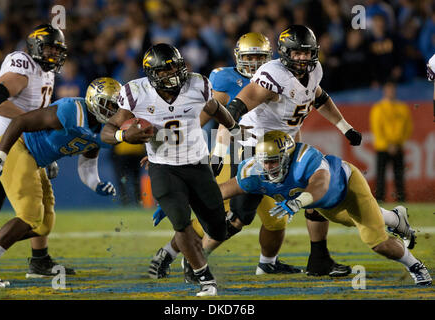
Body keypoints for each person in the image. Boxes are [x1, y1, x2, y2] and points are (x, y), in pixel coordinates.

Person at [149, 31, 350, 281]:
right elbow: (202, 119)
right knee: (220, 214)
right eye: (249, 57)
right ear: (238, 57)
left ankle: (268, 263)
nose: (254, 63)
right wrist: (184, 150)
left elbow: (292, 124)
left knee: (275, 219)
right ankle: (171, 254)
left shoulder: (282, 76)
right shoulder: (226, 79)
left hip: (272, 154)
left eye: (260, 57)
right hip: (233, 152)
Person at [216, 25, 362, 277]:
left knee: (314, 195)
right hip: (259, 150)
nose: (303, 59)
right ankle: (193, 253)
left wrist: (345, 127)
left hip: (287, 149)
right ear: (284, 54)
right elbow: (237, 107)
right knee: (239, 218)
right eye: (297, 54)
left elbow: (319, 98)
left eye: (307, 53)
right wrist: (218, 151)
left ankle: (316, 260)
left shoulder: (314, 70)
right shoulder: (273, 74)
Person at [100, 43, 242, 297]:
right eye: (165, 71)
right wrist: (124, 134)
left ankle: (191, 256)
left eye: (175, 67)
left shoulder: (197, 84)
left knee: (218, 229)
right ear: (152, 74)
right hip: (162, 167)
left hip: (197, 164)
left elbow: (213, 109)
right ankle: (205, 278)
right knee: (181, 222)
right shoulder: (136, 92)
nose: (173, 74)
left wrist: (233, 128)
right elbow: (107, 131)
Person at [217, 130, 431, 286]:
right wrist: (195, 199)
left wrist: (297, 202)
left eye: (273, 162)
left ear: (286, 158)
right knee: (355, 219)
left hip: (348, 187)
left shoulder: (305, 159)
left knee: (376, 242)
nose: (268, 167)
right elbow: (222, 191)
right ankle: (396, 218)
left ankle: (416, 266)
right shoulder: (253, 172)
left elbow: (320, 187)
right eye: (265, 161)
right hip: (327, 205)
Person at [0, 77, 120, 287]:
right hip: (18, 149)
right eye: (108, 104)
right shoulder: (71, 110)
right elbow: (20, 122)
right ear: (94, 100)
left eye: (116, 106)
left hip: (36, 160)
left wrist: (97, 184)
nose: (112, 110)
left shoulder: (103, 131)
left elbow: (87, 166)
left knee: (43, 226)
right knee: (30, 216)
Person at [0, 23, 74, 278]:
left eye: (58, 51)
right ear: (35, 47)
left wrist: (40, 138)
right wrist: (30, 121)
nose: (54, 55)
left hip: (26, 145)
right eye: (49, 49)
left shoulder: (47, 72)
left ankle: (40, 261)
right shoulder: (22, 64)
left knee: (39, 209)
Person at [370, 81, 412, 203]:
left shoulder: (402, 107)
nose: (391, 92)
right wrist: (389, 144)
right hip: (383, 147)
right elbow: (376, 128)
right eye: (389, 90)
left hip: (398, 146)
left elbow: (408, 127)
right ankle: (379, 200)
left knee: (399, 176)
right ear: (385, 91)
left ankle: (401, 199)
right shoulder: (378, 108)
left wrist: (399, 142)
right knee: (381, 175)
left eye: (392, 90)